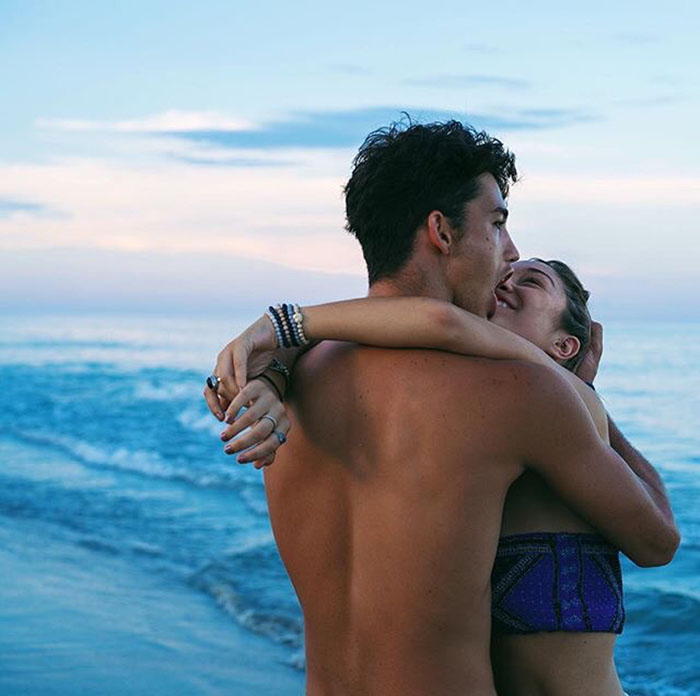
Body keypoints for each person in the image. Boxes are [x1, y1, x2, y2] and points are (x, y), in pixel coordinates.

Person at [204, 121, 679, 696]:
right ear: (442, 233)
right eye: (498, 224)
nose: (511, 251)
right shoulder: (518, 393)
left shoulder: (289, 378)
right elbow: (657, 542)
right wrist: (580, 392)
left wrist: (279, 354)